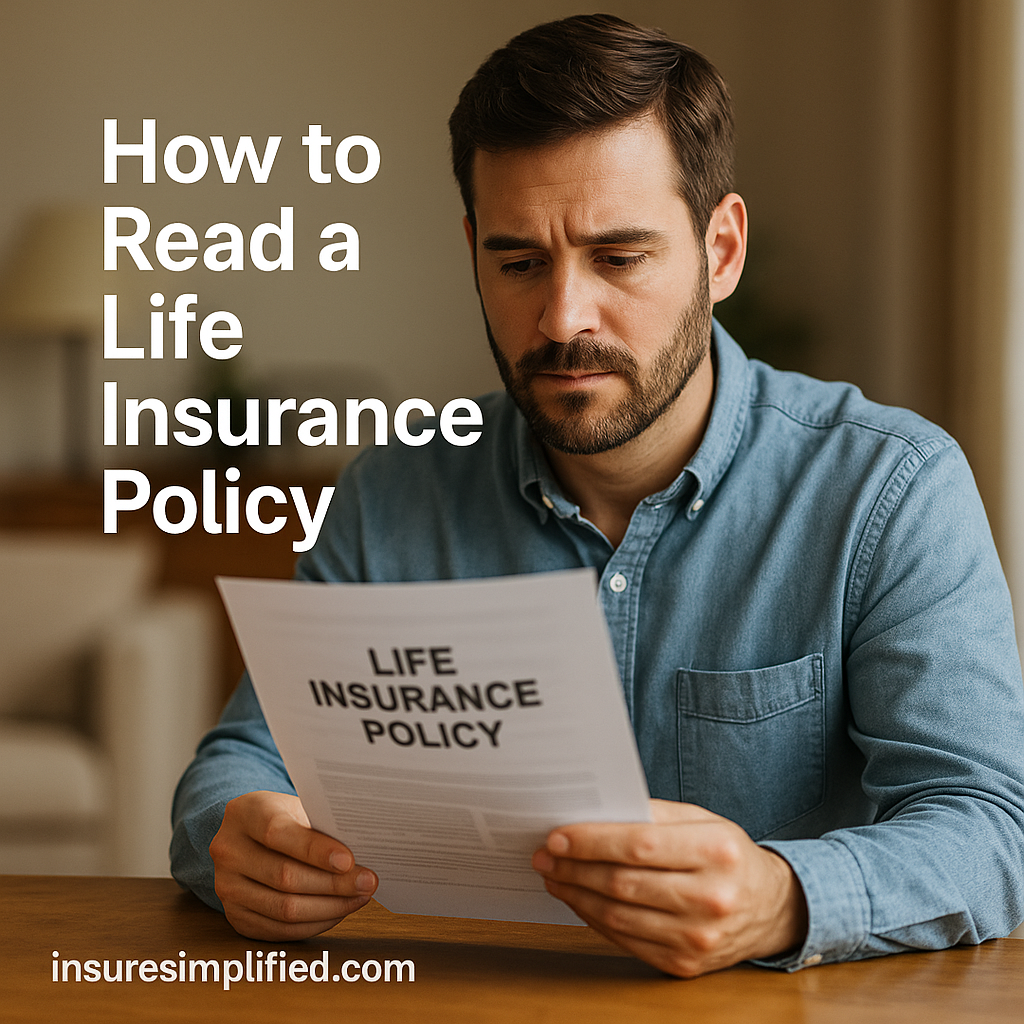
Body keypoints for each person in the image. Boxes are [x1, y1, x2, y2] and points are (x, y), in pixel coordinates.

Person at [171, 14, 1024, 976]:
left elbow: (992, 828)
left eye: (619, 258)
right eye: (519, 262)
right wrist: (235, 837)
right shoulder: (393, 493)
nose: (563, 317)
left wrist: (781, 898)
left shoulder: (890, 489)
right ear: (473, 254)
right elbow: (243, 762)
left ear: (724, 250)